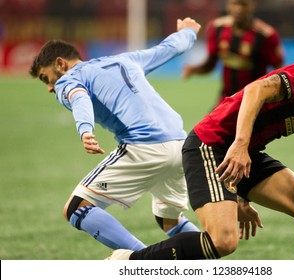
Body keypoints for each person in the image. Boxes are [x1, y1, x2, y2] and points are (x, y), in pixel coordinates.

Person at [107, 40, 294, 260]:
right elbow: (256, 89)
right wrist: (240, 145)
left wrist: (238, 189)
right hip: (211, 145)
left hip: (243, 154)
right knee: (223, 242)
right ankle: (129, 261)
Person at [29, 17, 202, 252]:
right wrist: (189, 32)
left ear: (60, 63)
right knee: (169, 219)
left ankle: (144, 263)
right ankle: (211, 265)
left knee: (76, 208)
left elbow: (78, 96)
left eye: (45, 78)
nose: (49, 87)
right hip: (180, 145)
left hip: (143, 146)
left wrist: (85, 130)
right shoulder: (124, 59)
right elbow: (169, 49)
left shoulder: (68, 79)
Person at [182, 0, 284, 105]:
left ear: (252, 6)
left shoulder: (266, 35)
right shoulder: (217, 28)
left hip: (255, 102)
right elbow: (210, 64)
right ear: (228, 5)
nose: (238, 9)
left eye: (243, 4)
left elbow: (279, 71)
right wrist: (194, 69)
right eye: (235, 3)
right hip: (226, 99)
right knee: (209, 121)